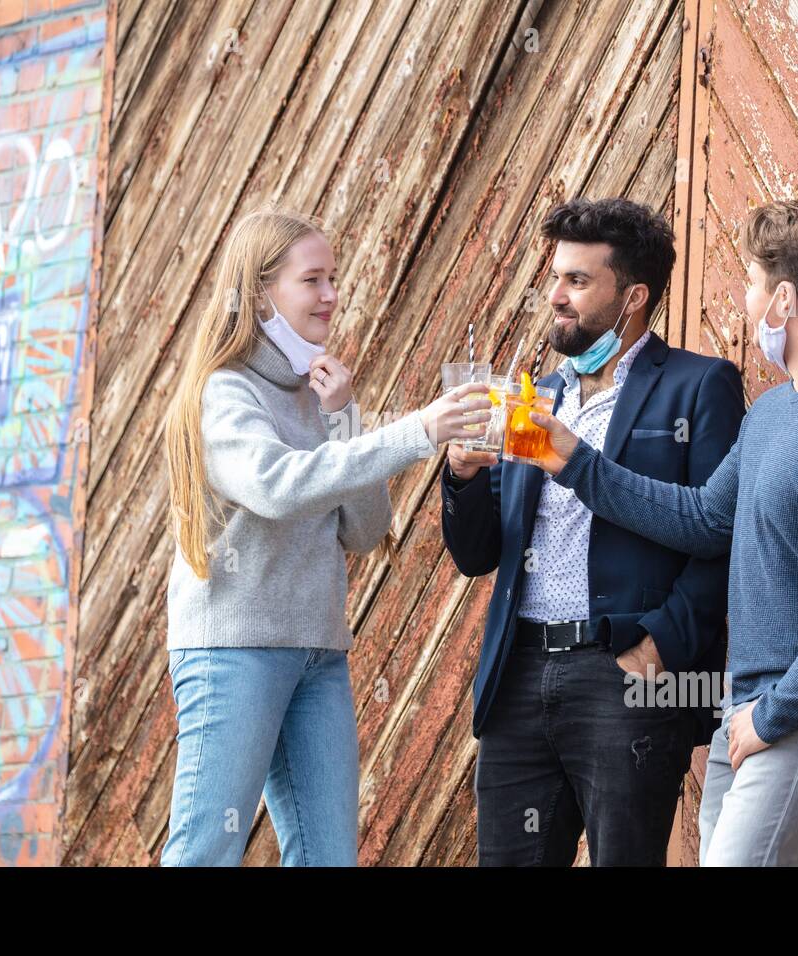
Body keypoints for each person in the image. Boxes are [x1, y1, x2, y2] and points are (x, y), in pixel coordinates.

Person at [527, 199, 798, 866]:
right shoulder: (774, 410)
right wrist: (577, 463)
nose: (747, 295)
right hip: (757, 706)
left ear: (785, 300)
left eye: (755, 281)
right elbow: (703, 519)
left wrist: (775, 713)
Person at [160, 208, 491, 866]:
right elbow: (278, 486)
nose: (332, 295)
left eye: (333, 278)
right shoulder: (225, 394)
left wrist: (345, 417)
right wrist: (415, 432)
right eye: (313, 279)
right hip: (235, 650)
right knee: (208, 851)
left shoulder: (317, 397)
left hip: (317, 657)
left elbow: (366, 530)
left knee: (327, 857)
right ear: (260, 295)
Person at [441, 197, 744, 865]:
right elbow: (477, 555)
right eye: (556, 277)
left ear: (633, 296)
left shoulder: (699, 387)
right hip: (518, 672)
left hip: (626, 675)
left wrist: (660, 647)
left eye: (578, 280)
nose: (556, 296)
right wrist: (462, 478)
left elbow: (721, 536)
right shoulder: (535, 397)